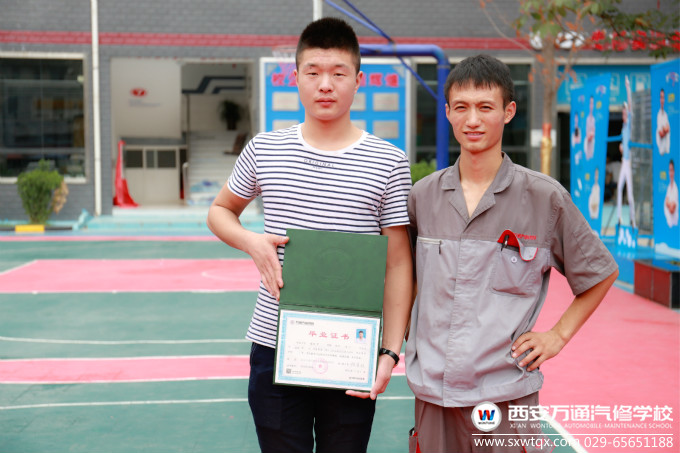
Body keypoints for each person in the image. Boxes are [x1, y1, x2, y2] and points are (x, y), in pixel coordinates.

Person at [207, 17, 413, 453]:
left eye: (338, 73)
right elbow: (220, 211)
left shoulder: (389, 161)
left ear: (358, 80)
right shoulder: (265, 149)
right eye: (313, 72)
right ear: (295, 77)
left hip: (351, 349)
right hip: (276, 345)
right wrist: (251, 241)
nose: (325, 85)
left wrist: (390, 352)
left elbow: (398, 263)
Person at [406, 54, 619, 453]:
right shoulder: (423, 196)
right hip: (433, 391)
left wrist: (557, 336)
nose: (472, 120)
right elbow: (405, 277)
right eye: (461, 107)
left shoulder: (544, 198)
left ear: (508, 112)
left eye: (485, 107)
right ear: (447, 112)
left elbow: (599, 272)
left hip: (504, 393)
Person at [617, 76, 636, 227]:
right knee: (619, 188)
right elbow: (623, 143)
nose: (624, 116)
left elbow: (630, 104)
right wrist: (621, 147)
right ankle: (619, 218)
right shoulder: (623, 128)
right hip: (624, 161)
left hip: (629, 162)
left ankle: (633, 220)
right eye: (623, 114)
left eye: (625, 114)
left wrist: (627, 87)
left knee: (629, 194)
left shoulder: (629, 124)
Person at [656, 88, 671, 155]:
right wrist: (665, 130)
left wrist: (664, 129)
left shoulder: (665, 114)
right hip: (661, 152)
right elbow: (661, 134)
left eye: (663, 98)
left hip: (667, 150)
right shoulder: (658, 115)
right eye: (661, 97)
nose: (662, 100)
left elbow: (668, 129)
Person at [665, 159, 678, 228]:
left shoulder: (676, 188)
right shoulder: (669, 187)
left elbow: (672, 209)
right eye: (669, 170)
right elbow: (666, 202)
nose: (670, 173)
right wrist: (669, 204)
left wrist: (669, 204)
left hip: (674, 223)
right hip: (669, 223)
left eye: (672, 170)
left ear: (674, 172)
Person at [585, 95, 596, 160]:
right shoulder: (586, 119)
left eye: (592, 103)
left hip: (592, 148)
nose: (591, 105)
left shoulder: (595, 119)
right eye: (590, 103)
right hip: (587, 147)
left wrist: (592, 134)